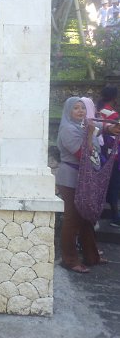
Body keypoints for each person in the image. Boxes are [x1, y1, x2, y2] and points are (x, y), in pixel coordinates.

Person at [56, 97, 106, 273]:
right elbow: (83, 154)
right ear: (68, 111)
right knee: (73, 218)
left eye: (82, 108)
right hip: (70, 178)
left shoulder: (81, 126)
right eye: (75, 108)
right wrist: (91, 134)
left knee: (86, 218)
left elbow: (98, 129)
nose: (80, 111)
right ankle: (69, 260)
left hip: (83, 178)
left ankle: (92, 256)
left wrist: (107, 128)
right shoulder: (68, 129)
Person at [96, 86, 120, 227]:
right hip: (113, 154)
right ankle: (116, 217)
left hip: (100, 153)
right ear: (115, 97)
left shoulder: (98, 110)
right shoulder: (112, 114)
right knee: (114, 185)